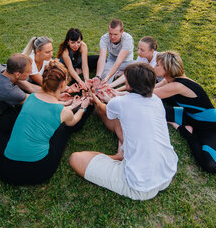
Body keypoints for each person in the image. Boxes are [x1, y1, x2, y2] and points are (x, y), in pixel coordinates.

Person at [69, 63, 178, 200]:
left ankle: (119, 157)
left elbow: (104, 108)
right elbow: (124, 104)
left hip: (139, 185)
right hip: (167, 171)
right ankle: (123, 153)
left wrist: (96, 100)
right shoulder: (156, 100)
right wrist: (111, 98)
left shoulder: (121, 103)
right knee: (123, 122)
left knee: (76, 159)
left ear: (130, 85)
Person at [0, 60, 91, 185]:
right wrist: (82, 107)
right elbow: (72, 122)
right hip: (37, 171)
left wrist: (68, 105)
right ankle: (89, 108)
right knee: (63, 130)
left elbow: (48, 107)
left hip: (6, 169)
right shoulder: (63, 112)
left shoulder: (30, 98)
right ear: (63, 83)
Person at [153, 51, 216, 174]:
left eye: (158, 65)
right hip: (188, 116)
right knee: (153, 112)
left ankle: (186, 132)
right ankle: (184, 126)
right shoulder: (169, 80)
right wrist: (119, 93)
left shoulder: (177, 85)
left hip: (209, 127)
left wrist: (118, 94)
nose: (155, 67)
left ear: (167, 68)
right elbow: (151, 90)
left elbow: (147, 94)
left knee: (212, 166)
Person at [95, 19, 134, 84]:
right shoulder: (104, 38)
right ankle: (98, 92)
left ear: (122, 32)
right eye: (110, 33)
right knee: (103, 77)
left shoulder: (128, 39)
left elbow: (119, 61)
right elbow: (102, 58)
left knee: (136, 71)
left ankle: (123, 71)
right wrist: (98, 76)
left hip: (127, 61)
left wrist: (108, 77)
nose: (112, 37)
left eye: (115, 34)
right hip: (112, 60)